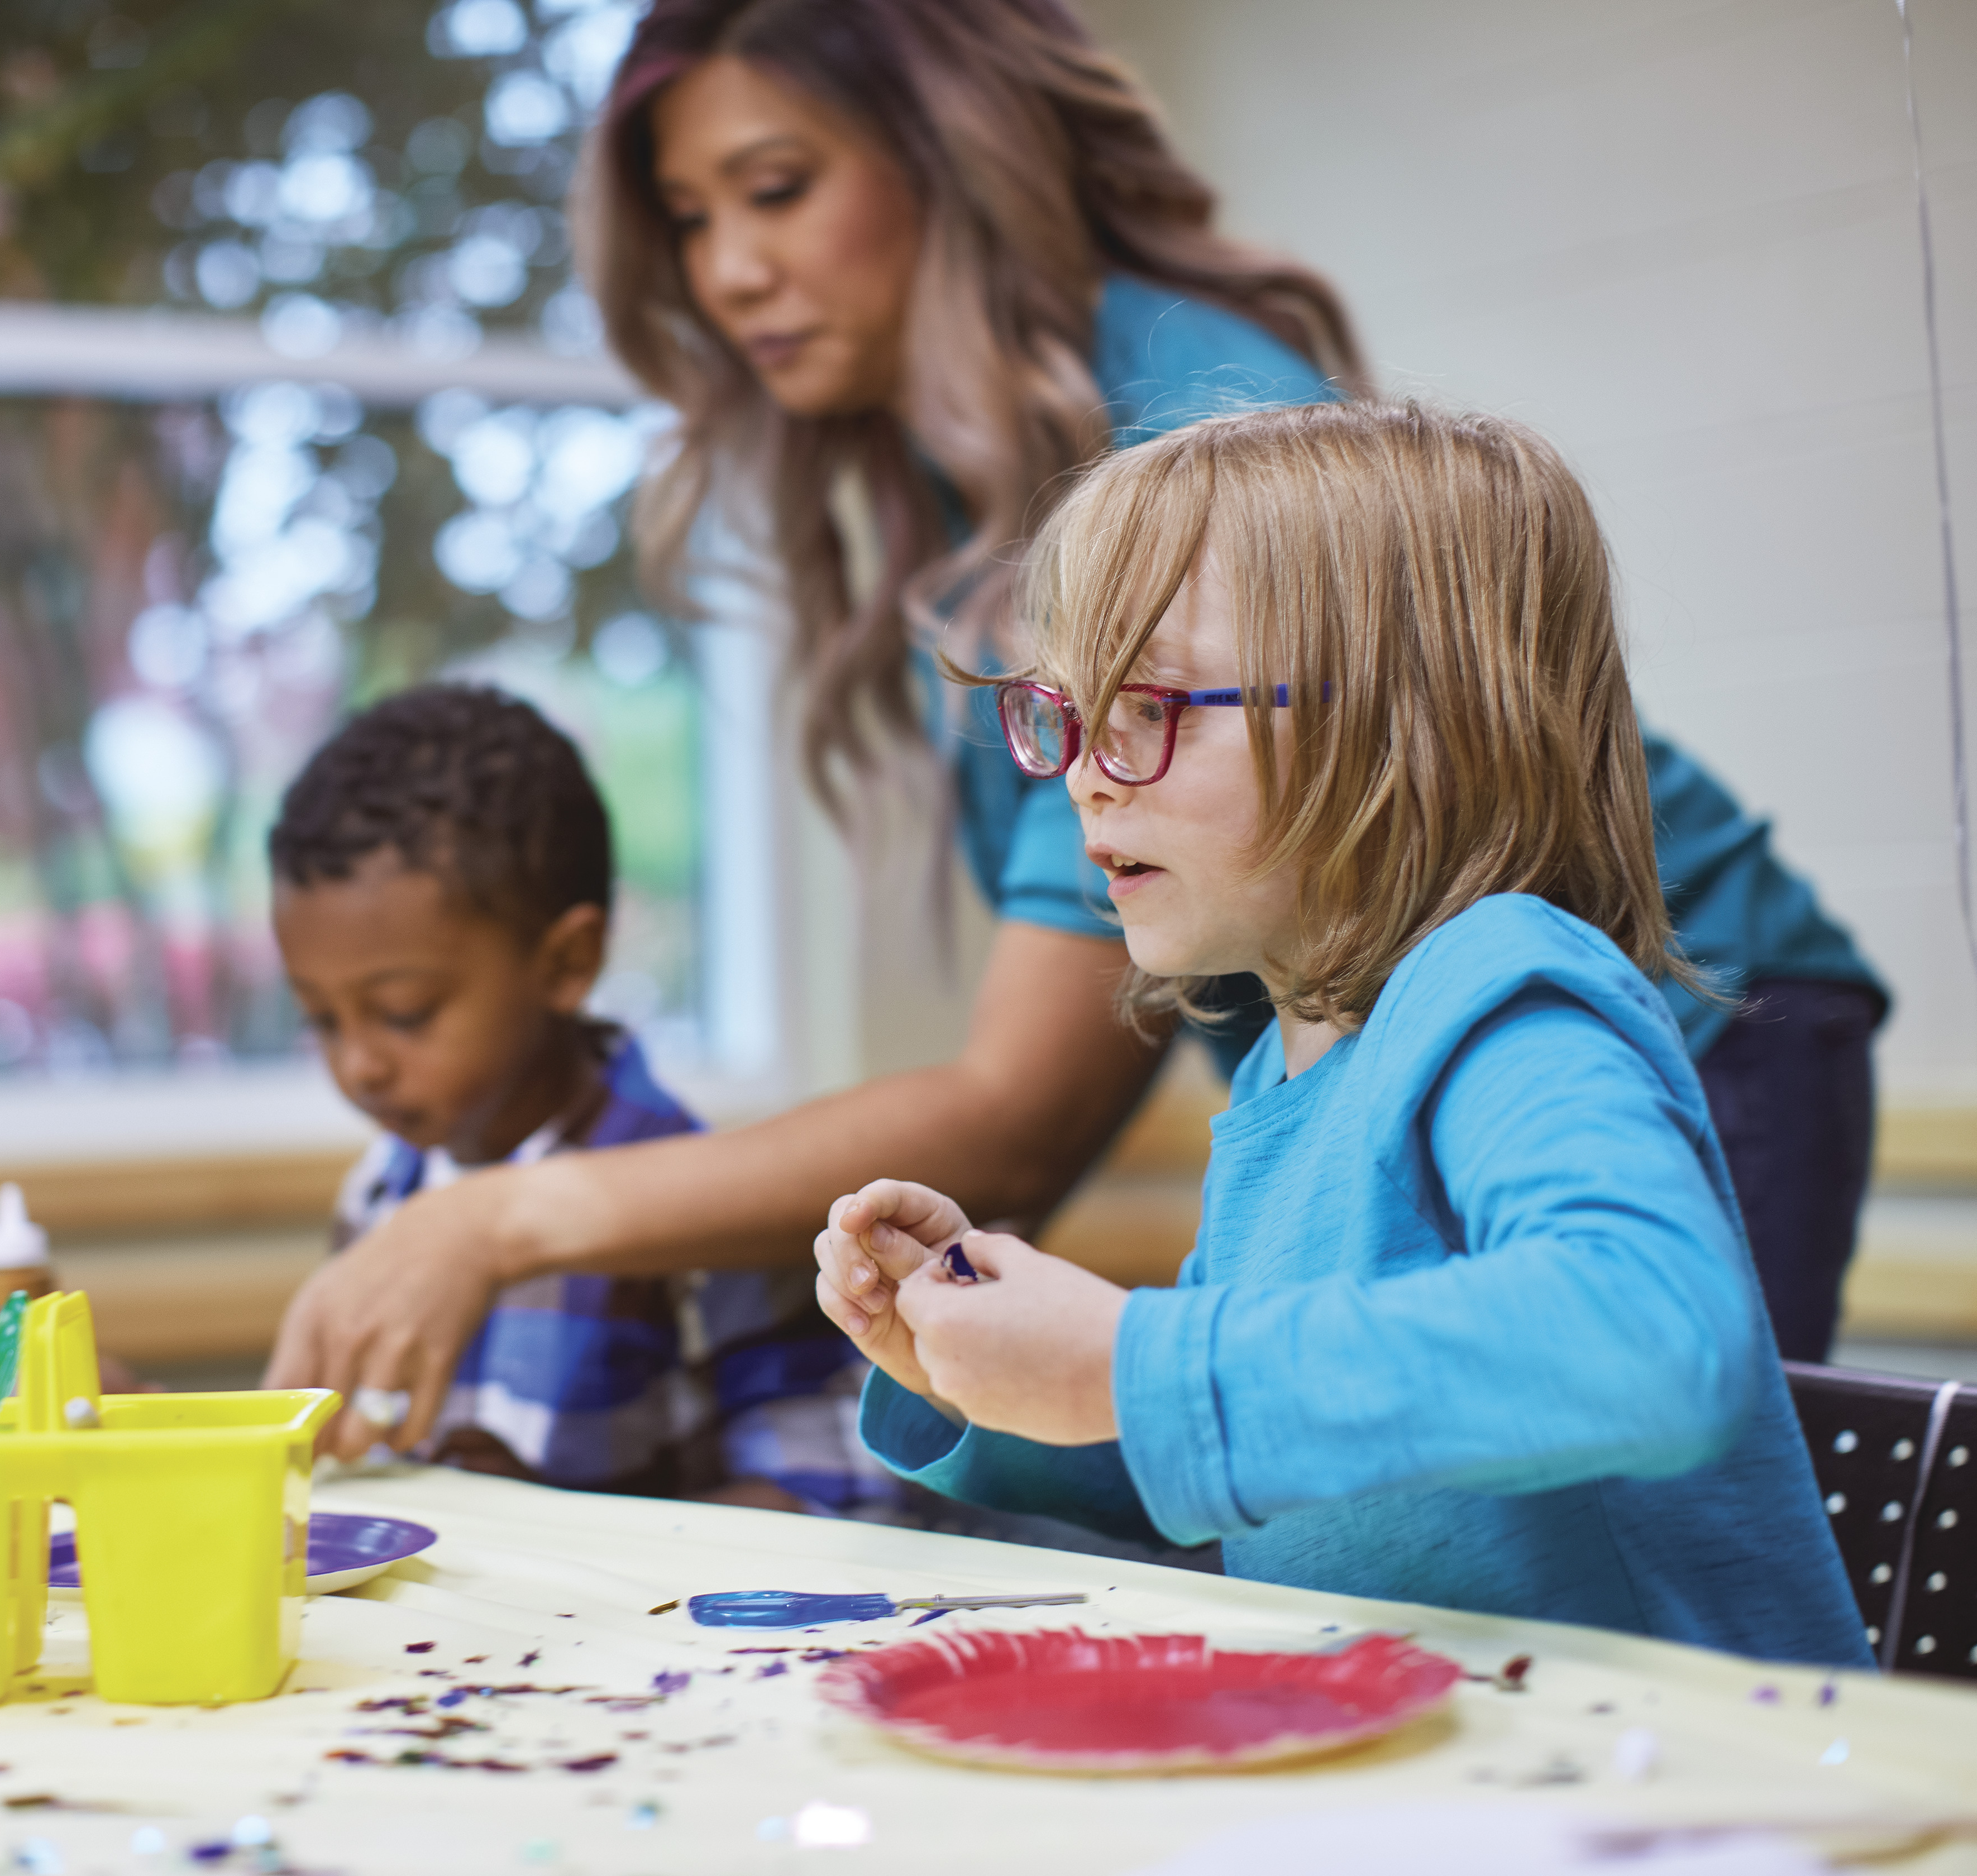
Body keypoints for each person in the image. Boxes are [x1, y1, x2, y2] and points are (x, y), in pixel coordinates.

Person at [265, 0, 1882, 1469]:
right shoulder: (1283, 1087)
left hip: (1700, 1010)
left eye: (777, 189)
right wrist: (970, 1393)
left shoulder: (1200, 451)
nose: (728, 272)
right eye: (692, 221)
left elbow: (1026, 1109)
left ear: (952, 160)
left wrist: (500, 1219)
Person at [817, 402, 1865, 1663]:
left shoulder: (1506, 995)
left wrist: (1135, 1362)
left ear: (1401, 726)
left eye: (1150, 703)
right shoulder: (1288, 1063)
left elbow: (1653, 1338)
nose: (1086, 770)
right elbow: (1262, 1455)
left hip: (1683, 1768)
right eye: (1071, 711)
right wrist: (978, 1373)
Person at [270, 685, 892, 1514]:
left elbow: (833, 1492)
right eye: (319, 1019)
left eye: (404, 1012)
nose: (358, 1066)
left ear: (568, 962)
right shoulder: (378, 1193)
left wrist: (555, 1517)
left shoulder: (701, 1214)